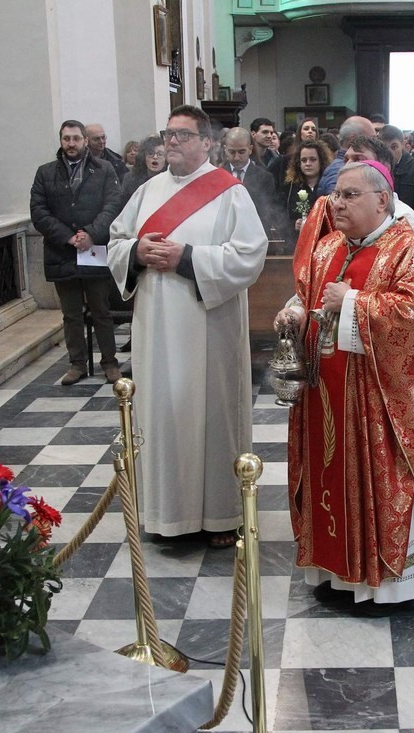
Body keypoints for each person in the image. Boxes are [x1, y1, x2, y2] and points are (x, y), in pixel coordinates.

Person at [274, 160, 414, 606]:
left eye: (350, 195)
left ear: (382, 199)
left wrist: (355, 303)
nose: (337, 204)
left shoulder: (412, 251)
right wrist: (295, 312)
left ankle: (390, 583)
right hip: (327, 395)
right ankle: (336, 573)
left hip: (382, 404)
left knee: (381, 475)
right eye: (335, 195)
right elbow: (311, 297)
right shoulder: (327, 248)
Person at [106, 104, 266, 548]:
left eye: (181, 135)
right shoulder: (148, 190)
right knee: (162, 413)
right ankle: (166, 515)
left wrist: (189, 258)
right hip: (155, 326)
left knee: (212, 413)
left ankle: (220, 516)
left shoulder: (229, 192)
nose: (170, 141)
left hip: (207, 326)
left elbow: (249, 256)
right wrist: (136, 253)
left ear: (206, 142)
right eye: (167, 134)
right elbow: (117, 242)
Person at [29, 119, 123, 385]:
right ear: (61, 141)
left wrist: (91, 233)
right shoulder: (46, 173)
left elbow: (113, 204)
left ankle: (109, 362)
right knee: (71, 313)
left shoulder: (103, 170)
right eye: (66, 138)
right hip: (62, 251)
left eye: (76, 139)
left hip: (93, 249)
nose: (71, 143)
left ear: (85, 141)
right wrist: (68, 237)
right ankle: (77, 363)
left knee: (101, 310)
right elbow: (38, 211)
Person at [222, 126, 281, 236]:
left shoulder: (265, 177)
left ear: (250, 149)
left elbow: (269, 211)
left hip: (255, 234)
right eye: (232, 152)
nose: (236, 157)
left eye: (241, 152)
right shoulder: (218, 176)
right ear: (225, 149)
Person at [278, 139, 331, 250]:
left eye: (312, 160)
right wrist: (294, 224)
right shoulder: (290, 186)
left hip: (324, 244)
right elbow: (281, 216)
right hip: (297, 244)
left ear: (321, 161)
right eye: (304, 160)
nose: (308, 164)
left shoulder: (328, 186)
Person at [378, 124, 414, 228]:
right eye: (385, 147)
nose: (390, 152)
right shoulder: (375, 168)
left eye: (394, 147)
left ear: (403, 144)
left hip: (409, 228)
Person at [120, 135, 166, 205]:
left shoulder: (172, 178)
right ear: (144, 156)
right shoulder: (130, 179)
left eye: (160, 154)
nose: (155, 157)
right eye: (150, 153)